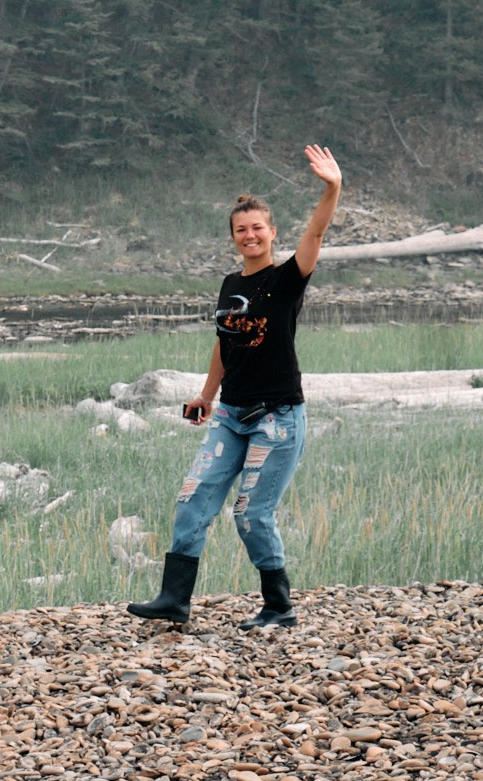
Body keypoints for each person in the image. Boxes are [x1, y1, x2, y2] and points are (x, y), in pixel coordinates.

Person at [128, 145, 343, 629]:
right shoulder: (230, 284)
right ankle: (174, 600)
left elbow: (317, 231)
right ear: (233, 237)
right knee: (192, 499)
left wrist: (332, 187)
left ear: (271, 233)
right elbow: (226, 340)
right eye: (241, 229)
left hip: (278, 417)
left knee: (250, 514)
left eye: (258, 228)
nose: (250, 235)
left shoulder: (287, 278)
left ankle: (279, 606)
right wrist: (206, 395)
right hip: (230, 413)